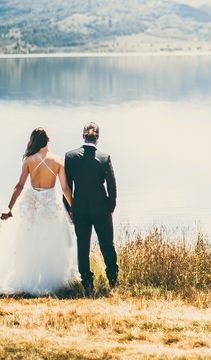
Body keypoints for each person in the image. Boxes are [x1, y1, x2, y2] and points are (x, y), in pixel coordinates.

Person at [0, 127, 80, 295]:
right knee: (52, 240)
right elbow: (64, 188)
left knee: (25, 240)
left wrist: (9, 208)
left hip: (30, 202)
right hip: (50, 203)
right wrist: (73, 208)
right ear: (47, 140)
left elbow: (19, 186)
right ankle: (50, 279)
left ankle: (24, 278)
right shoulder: (58, 160)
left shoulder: (28, 160)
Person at [65, 121, 118, 295]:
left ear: (83, 136)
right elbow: (112, 185)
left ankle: (87, 283)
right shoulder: (104, 157)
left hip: (80, 209)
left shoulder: (70, 157)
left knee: (83, 247)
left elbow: (67, 186)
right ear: (97, 138)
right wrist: (111, 206)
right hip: (101, 209)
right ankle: (112, 279)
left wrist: (69, 208)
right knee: (107, 245)